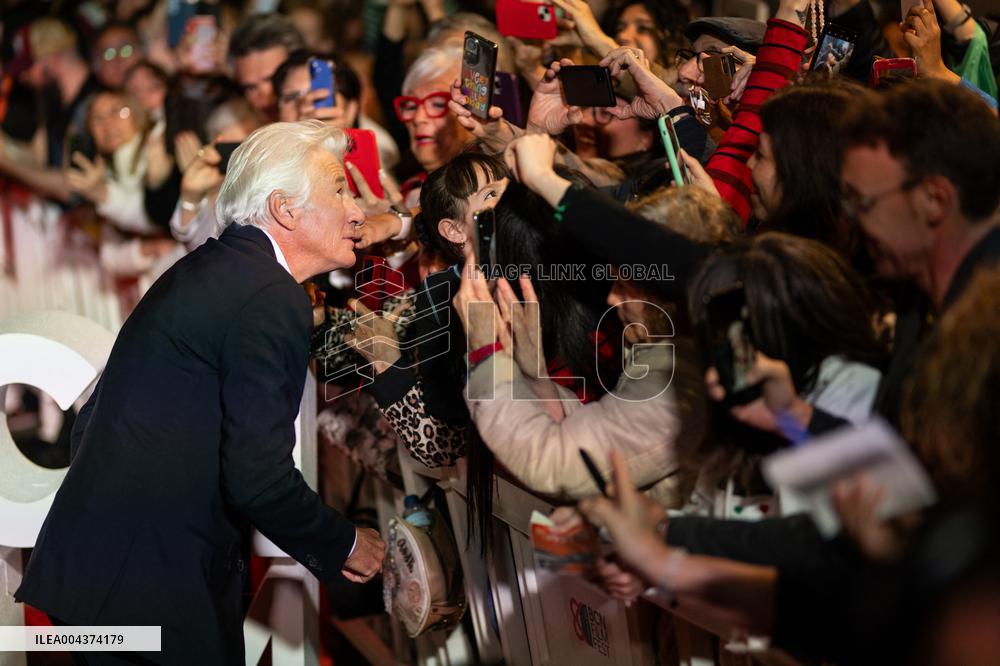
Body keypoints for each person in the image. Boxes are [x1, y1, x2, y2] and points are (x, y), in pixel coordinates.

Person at [15, 120, 386, 663]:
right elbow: (258, 478)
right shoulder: (268, 296)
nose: (356, 212)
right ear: (284, 210)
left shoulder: (212, 266)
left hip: (111, 577)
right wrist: (345, 542)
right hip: (147, 592)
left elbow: (93, 415)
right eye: (339, 190)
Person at [229, 13, 306, 123]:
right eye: (250, 88)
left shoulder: (331, 120)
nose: (265, 102)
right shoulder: (230, 129)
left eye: (273, 79)